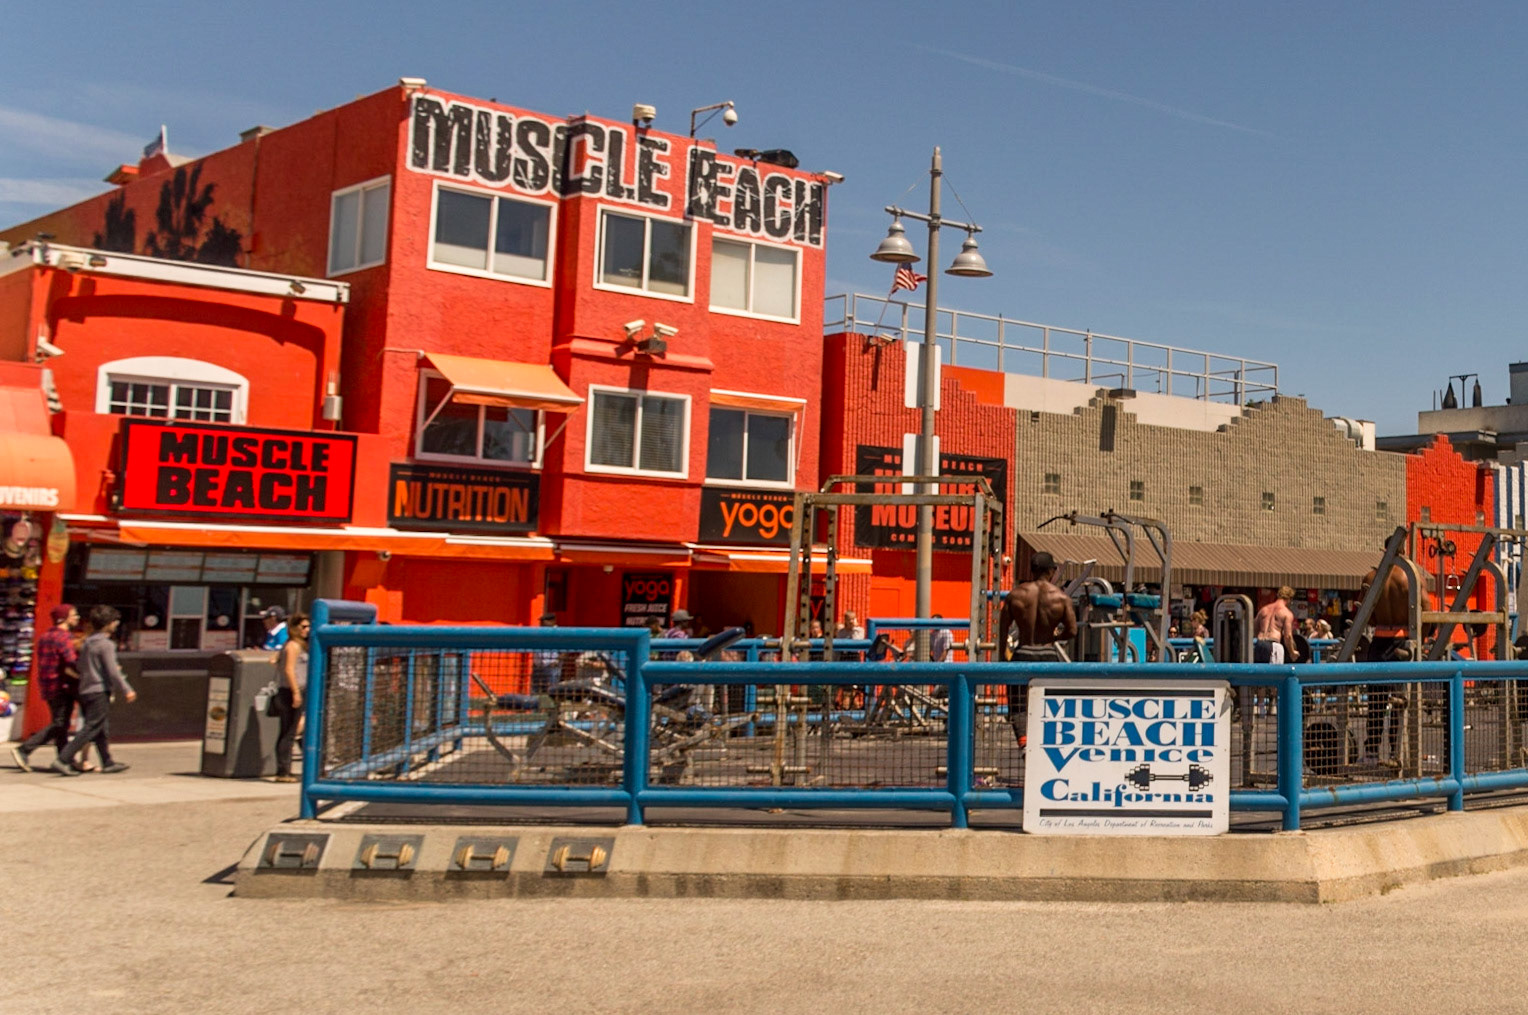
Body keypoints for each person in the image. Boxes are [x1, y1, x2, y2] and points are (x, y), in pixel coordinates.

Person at [999, 552, 1079, 751]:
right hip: (1048, 657)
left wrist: (1002, 659)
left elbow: (1001, 631)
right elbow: (1072, 631)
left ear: (1032, 570)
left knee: (1018, 708)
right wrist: (1054, 637)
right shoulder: (1061, 598)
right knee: (1050, 707)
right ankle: (1045, 748)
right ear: (1051, 571)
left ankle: (1025, 746)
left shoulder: (1015, 595)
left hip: (1022, 656)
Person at [51, 605, 135, 776]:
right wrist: (127, 689)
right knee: (92, 727)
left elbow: (80, 666)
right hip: (99, 689)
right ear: (108, 624)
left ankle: (107, 761)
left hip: (85, 688)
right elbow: (113, 671)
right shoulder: (106, 645)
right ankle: (63, 759)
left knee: (101, 727)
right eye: (114, 621)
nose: (116, 624)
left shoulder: (88, 642)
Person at [11, 604, 79, 772]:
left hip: (47, 686)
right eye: (74, 615)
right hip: (61, 685)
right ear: (63, 618)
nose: (77, 617)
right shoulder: (64, 638)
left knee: (61, 724)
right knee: (59, 722)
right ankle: (24, 750)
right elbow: (72, 662)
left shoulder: (44, 636)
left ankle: (64, 759)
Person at [1360, 563, 1412, 765]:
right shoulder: (1409, 577)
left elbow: (1364, 613)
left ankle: (1371, 752)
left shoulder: (1371, 577)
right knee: (1399, 700)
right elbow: (1425, 609)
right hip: (1401, 640)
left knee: (1376, 701)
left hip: (1379, 640)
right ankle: (1395, 753)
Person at [272, 613, 309, 783]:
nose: (307, 630)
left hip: (300, 690)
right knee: (289, 731)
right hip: (290, 691)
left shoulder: (300, 645)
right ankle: (283, 771)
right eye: (303, 627)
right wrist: (295, 692)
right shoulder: (292, 646)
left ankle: (310, 765)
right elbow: (288, 669)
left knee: (299, 728)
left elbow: (273, 660)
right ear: (294, 628)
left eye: (308, 626)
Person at [1253, 587, 1300, 664]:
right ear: (1289, 599)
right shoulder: (1286, 613)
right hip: (1273, 644)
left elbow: (1255, 628)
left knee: (1260, 673)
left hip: (1259, 644)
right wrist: (1292, 652)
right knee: (1275, 674)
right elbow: (1287, 636)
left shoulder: (1264, 609)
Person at [529, 613, 564, 693]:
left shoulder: (559, 633)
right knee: (535, 690)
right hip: (538, 666)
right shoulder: (540, 632)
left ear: (552, 621)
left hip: (551, 666)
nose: (541, 623)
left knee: (552, 690)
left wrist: (556, 661)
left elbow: (565, 651)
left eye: (544, 621)